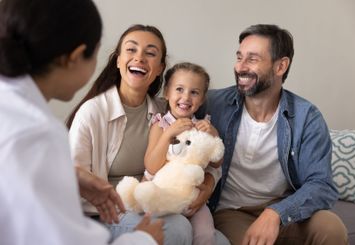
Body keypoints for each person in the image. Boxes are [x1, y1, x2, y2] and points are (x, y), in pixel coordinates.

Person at [0, 0, 163, 245]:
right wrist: (144, 240)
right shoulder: (37, 133)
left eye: (150, 53)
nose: (139, 58)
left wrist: (70, 174)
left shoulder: (17, 116)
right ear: (75, 57)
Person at [197, 24, 348, 245]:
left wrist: (275, 213)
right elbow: (172, 108)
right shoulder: (213, 104)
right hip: (232, 212)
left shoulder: (307, 117)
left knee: (331, 228)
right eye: (239, 57)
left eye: (252, 59)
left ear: (280, 66)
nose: (240, 67)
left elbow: (321, 184)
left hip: (283, 209)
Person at [67, 25, 197, 244]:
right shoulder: (93, 112)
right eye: (131, 50)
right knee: (176, 228)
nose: (139, 58)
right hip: (105, 213)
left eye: (150, 53)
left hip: (156, 203)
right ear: (118, 60)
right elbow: (73, 179)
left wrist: (209, 182)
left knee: (217, 239)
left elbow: (200, 149)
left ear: (160, 69)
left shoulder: (167, 111)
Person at [144, 62, 223, 245]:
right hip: (163, 193)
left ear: (202, 99)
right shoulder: (160, 124)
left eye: (194, 92)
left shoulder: (203, 127)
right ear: (167, 93)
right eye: (179, 89)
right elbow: (151, 166)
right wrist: (169, 134)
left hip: (193, 197)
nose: (185, 97)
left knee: (206, 235)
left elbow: (217, 163)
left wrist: (214, 135)